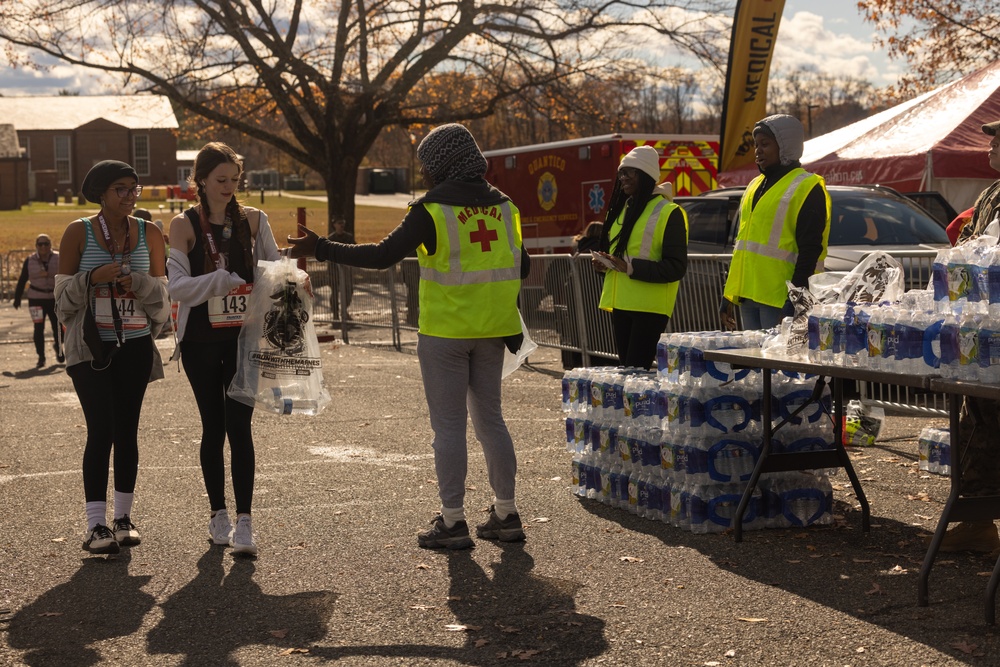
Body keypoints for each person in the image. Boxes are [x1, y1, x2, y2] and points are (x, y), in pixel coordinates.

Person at [288, 123, 530, 550]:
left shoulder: (432, 210)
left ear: (438, 165)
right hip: (495, 332)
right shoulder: (506, 208)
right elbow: (522, 267)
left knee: (449, 426)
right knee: (491, 420)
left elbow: (381, 255)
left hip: (445, 334)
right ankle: (506, 512)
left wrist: (322, 247)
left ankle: (453, 520)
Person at [166, 142, 280, 556]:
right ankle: (219, 514)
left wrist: (293, 280)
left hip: (243, 340)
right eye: (221, 180)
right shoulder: (183, 224)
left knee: (241, 428)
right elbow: (176, 288)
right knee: (213, 429)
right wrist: (219, 281)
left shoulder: (254, 220)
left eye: (235, 179)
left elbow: (275, 267)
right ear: (200, 181)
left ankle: (246, 521)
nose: (229, 187)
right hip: (199, 341)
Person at [54, 160, 169, 555]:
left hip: (134, 344)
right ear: (101, 193)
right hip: (91, 346)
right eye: (121, 189)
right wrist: (92, 279)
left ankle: (123, 519)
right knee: (100, 429)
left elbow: (162, 297)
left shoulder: (149, 232)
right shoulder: (78, 232)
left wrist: (135, 282)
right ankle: (95, 526)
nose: (130, 196)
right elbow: (61, 299)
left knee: (127, 431)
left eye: (134, 189)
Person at [935, 118, 1000, 554]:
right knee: (974, 422)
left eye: (999, 136)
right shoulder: (990, 193)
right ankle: (977, 522)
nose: (991, 143)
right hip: (983, 331)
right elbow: (970, 250)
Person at [721, 114, 831, 331]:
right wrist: (728, 295)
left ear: (785, 146)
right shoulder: (754, 185)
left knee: (779, 364)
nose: (758, 150)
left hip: (780, 301)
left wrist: (795, 300)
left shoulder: (807, 187)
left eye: (765, 144)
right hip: (748, 296)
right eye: (756, 145)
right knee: (755, 362)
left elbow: (810, 251)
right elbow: (743, 247)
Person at [591, 146, 688, 370]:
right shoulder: (622, 210)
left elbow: (676, 267)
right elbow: (620, 259)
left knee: (636, 373)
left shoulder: (669, 212)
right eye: (621, 173)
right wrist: (604, 265)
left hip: (649, 308)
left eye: (629, 172)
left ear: (645, 175)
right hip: (621, 304)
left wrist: (629, 268)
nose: (623, 178)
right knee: (628, 373)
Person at [13, 234, 63, 367]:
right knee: (38, 328)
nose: (43, 247)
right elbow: (23, 279)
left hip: (54, 298)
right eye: (40, 244)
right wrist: (17, 298)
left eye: (46, 244)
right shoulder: (30, 260)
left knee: (58, 327)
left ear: (50, 245)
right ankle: (41, 357)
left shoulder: (58, 258)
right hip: (36, 299)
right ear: (36, 246)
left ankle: (59, 349)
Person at [327, 217, 356, 321]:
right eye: (339, 223)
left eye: (343, 223)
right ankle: (335, 314)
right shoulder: (330, 239)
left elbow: (355, 250)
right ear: (334, 225)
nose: (341, 225)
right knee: (334, 293)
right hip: (334, 271)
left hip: (346, 270)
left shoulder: (348, 238)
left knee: (349, 291)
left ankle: (344, 310)